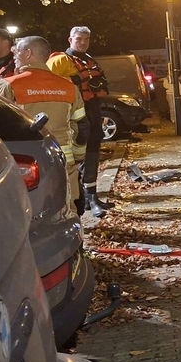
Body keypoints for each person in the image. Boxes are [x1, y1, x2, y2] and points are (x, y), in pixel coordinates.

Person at [0, 36, 87, 218]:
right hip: (63, 162)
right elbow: (82, 127)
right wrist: (77, 157)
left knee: (28, 216)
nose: (14, 54)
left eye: (17, 51)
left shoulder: (8, 85)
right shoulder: (68, 86)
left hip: (26, 167)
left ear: (28, 53)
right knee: (68, 213)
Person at [47, 25, 112, 218]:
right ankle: (79, 198)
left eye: (86, 39)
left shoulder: (88, 60)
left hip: (92, 112)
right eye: (78, 39)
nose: (82, 42)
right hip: (74, 116)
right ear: (70, 40)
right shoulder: (59, 60)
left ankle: (92, 196)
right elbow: (50, 86)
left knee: (92, 153)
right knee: (77, 157)